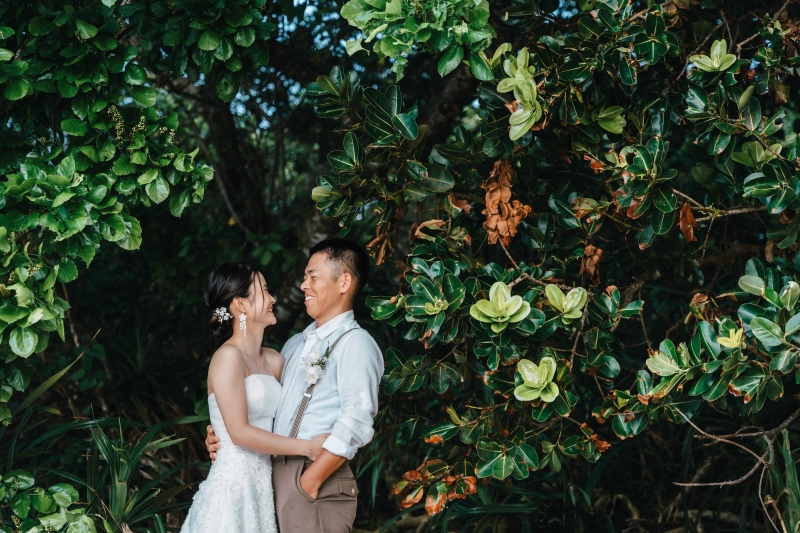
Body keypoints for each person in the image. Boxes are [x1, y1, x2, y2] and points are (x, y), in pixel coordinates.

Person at [205, 239, 383, 532]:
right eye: (304, 277)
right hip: (270, 477)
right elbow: (259, 410)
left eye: (313, 276)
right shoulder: (292, 346)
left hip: (313, 476)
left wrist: (309, 482)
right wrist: (219, 434)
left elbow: (357, 421)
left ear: (344, 282)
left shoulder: (356, 344)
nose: (303, 285)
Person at [181, 263, 328, 533]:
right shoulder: (227, 358)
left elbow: (293, 413)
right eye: (264, 291)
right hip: (232, 488)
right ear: (240, 304)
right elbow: (239, 433)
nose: (272, 299)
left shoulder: (274, 360)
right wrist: (308, 447)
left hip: (265, 486)